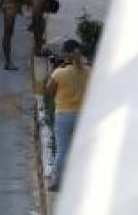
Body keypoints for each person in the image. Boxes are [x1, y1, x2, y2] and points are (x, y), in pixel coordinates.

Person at [46, 39, 91, 191]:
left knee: (62, 150)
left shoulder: (59, 73)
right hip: (83, 115)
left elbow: (49, 91)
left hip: (63, 115)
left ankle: (56, 182)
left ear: (65, 54)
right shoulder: (89, 71)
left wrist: (58, 68)